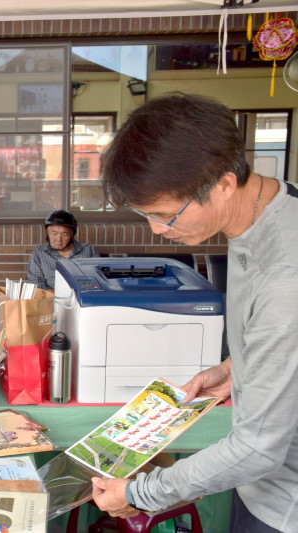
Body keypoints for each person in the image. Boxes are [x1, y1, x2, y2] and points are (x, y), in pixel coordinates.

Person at [91, 93, 298, 532]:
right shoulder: (270, 209)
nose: (157, 230)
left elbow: (258, 448)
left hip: (286, 506)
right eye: (145, 215)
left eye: (166, 215)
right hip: (264, 485)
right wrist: (237, 367)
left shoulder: (285, 276)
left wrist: (138, 493)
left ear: (223, 183)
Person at [25, 209, 98, 290]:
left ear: (72, 234)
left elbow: (98, 278)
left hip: (82, 298)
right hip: (52, 299)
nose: (58, 239)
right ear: (47, 233)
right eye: (54, 233)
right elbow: (36, 284)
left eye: (64, 234)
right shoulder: (39, 253)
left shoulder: (88, 250)